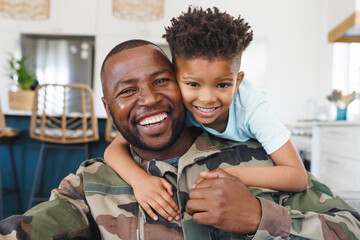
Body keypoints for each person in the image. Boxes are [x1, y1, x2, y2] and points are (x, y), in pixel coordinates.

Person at [0, 40, 359, 239]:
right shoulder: (90, 183)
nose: (149, 99)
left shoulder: (260, 158)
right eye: (128, 91)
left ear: (181, 85)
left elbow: (351, 227)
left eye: (161, 81)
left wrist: (260, 216)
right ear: (109, 111)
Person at [104, 6, 308, 222]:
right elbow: (114, 148)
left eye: (222, 84)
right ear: (175, 77)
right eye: (193, 84)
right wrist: (139, 181)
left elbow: (297, 176)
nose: (207, 98)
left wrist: (232, 174)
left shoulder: (253, 109)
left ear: (237, 82)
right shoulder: (177, 104)